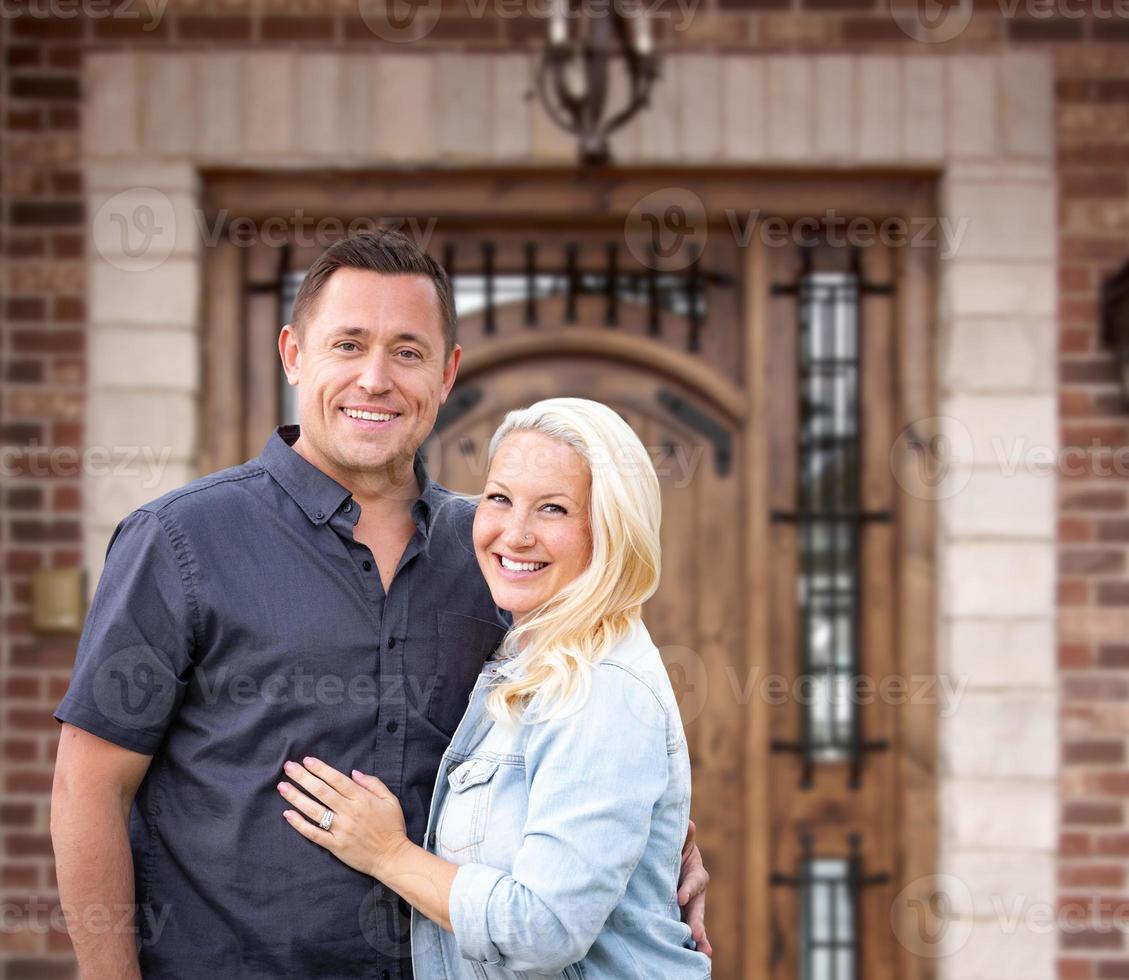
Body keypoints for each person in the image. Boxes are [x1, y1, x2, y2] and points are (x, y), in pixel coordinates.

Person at [50, 231, 710, 979]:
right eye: (348, 344)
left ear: (447, 371)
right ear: (294, 353)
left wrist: (651, 851)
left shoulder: (498, 554)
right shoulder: (181, 541)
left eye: (406, 351)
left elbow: (580, 748)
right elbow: (88, 785)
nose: (375, 378)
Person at [276, 398, 712, 978]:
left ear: (611, 527)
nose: (516, 533)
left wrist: (387, 853)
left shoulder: (600, 687)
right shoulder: (531, 654)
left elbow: (545, 930)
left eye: (553, 509)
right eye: (500, 499)